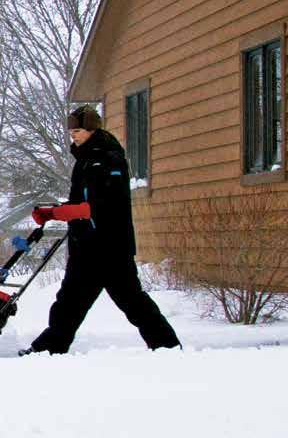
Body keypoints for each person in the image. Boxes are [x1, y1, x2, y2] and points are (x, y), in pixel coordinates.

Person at [21, 104, 180, 355]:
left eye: (78, 129)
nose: (73, 134)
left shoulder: (109, 159)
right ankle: (48, 350)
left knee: (132, 302)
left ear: (92, 129)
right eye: (71, 130)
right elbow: (79, 204)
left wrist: (58, 213)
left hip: (110, 248)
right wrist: (52, 211)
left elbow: (98, 207)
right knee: (69, 303)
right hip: (86, 246)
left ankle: (168, 347)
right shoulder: (84, 160)